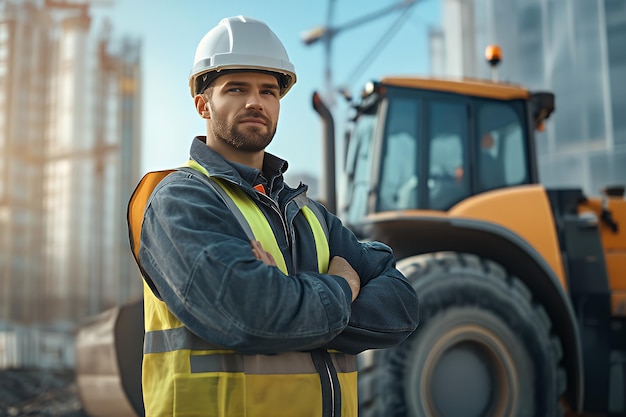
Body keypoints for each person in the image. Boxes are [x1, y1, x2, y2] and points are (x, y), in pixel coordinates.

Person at [128, 15, 418, 417]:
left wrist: (289, 300)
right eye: (236, 89)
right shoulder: (181, 200)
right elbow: (249, 315)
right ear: (202, 105)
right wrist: (340, 284)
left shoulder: (309, 214)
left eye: (268, 91)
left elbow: (401, 306)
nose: (255, 102)